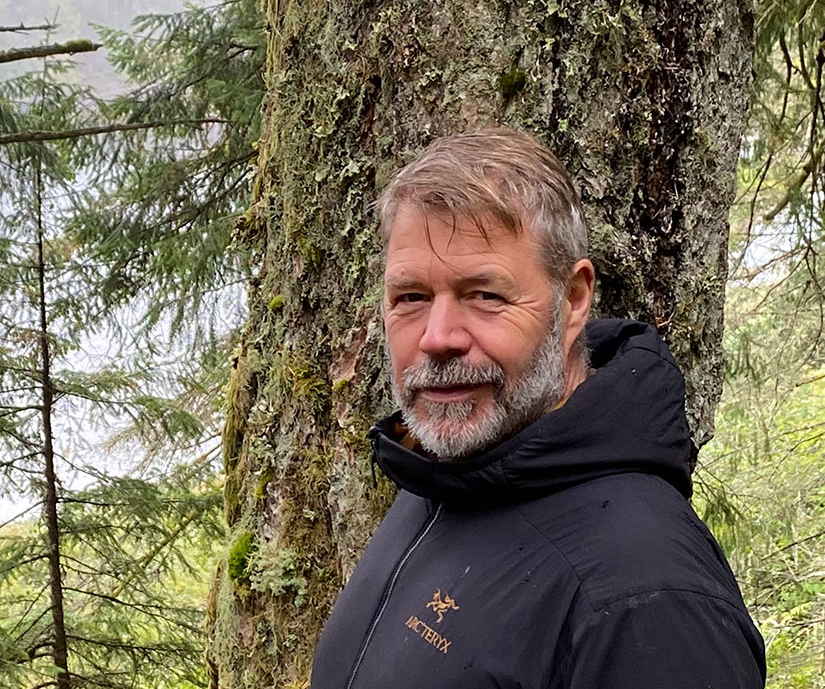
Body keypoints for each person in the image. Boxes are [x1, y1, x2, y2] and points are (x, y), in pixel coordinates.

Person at [310, 128, 765, 688]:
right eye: (411, 298)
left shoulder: (646, 598)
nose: (437, 337)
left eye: (485, 295)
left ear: (572, 299)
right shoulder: (442, 478)